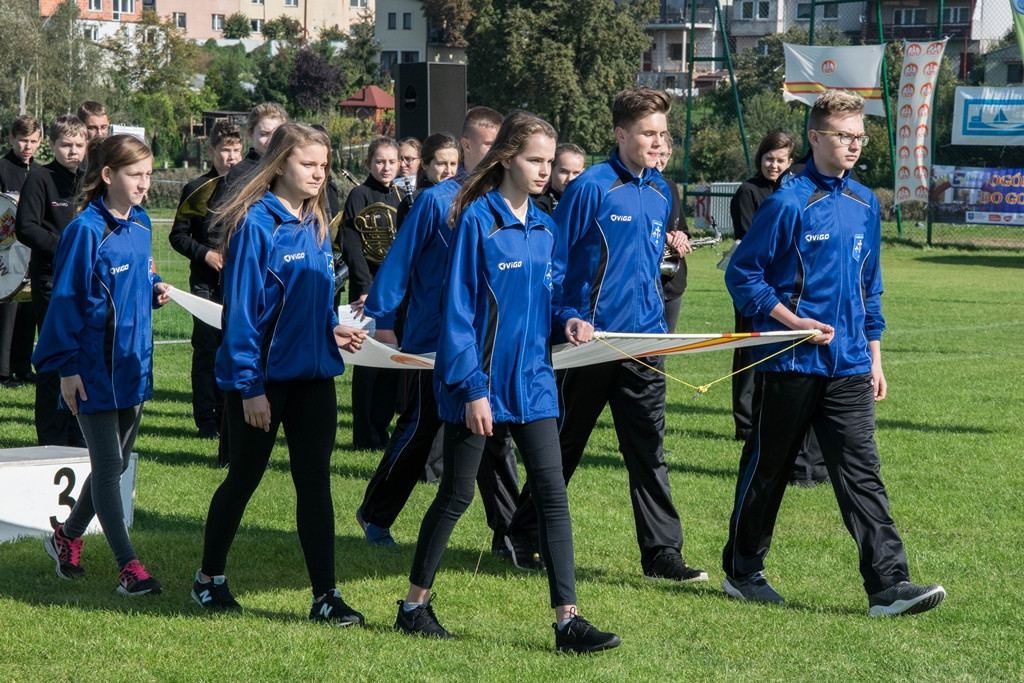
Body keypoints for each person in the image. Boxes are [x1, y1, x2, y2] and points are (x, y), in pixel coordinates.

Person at [395, 110, 620, 654]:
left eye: (549, 161)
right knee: (455, 496)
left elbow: (556, 295)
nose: (545, 171)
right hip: (480, 385)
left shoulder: (546, 225)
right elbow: (457, 316)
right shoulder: (474, 220)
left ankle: (568, 621)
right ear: (506, 158)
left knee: (552, 494)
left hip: (535, 383)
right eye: (534, 160)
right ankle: (412, 606)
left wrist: (568, 318)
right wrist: (472, 388)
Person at [721, 90, 945, 616]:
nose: (853, 145)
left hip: (848, 366)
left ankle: (889, 585)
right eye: (844, 136)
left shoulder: (867, 202)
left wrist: (875, 357)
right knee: (769, 467)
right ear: (815, 138)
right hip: (792, 363)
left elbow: (871, 286)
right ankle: (742, 570)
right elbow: (742, 275)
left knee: (861, 471)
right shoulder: (787, 201)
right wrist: (793, 323)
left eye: (860, 137)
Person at [504, 87, 706, 585]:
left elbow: (648, 266)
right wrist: (567, 316)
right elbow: (554, 262)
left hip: (646, 345)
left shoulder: (662, 191)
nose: (658, 143)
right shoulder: (591, 187)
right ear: (621, 134)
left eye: (663, 133)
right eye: (648, 134)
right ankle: (521, 535)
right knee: (566, 444)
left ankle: (662, 554)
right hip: (590, 345)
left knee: (648, 450)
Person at [191, 123, 369, 622]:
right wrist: (249, 389)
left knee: (315, 484)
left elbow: (299, 303)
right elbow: (243, 316)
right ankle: (208, 579)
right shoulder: (255, 225)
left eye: (324, 165)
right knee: (243, 479)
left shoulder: (316, 219)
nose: (319, 173)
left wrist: (327, 331)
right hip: (261, 384)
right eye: (308, 164)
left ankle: (325, 597)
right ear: (280, 165)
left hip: (314, 377)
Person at [358, 108, 521, 559]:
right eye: (491, 145)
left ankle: (510, 536)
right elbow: (399, 263)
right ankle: (375, 512)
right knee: (420, 430)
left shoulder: (505, 203)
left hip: (487, 344)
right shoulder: (436, 201)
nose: (500, 154)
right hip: (433, 341)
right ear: (466, 146)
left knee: (495, 435)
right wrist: (385, 323)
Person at [35, 134, 169, 596]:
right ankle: (129, 567)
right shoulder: (84, 230)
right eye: (136, 174)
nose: (145, 184)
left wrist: (154, 287)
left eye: (149, 175)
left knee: (117, 463)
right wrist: (66, 368)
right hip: (91, 369)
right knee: (110, 467)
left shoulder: (143, 222)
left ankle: (66, 536)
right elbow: (67, 302)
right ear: (108, 175)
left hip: (133, 366)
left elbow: (140, 274)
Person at [728, 131, 827, 487]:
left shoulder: (797, 194)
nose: (774, 165)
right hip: (759, 293)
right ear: (760, 158)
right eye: (769, 158)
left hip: (788, 295)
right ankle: (746, 422)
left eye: (781, 160)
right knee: (749, 356)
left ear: (790, 163)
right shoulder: (750, 193)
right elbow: (752, 245)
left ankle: (810, 459)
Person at [15, 115, 88, 447]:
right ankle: (51, 436)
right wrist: (67, 248)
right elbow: (27, 228)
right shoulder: (39, 178)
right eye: (66, 145)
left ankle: (77, 433)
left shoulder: (90, 179)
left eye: (79, 145)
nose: (73, 151)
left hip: (86, 283)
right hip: (51, 280)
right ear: (52, 145)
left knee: (81, 359)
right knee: (53, 361)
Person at [168, 121, 243, 440]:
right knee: (206, 349)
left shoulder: (250, 185)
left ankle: (230, 416)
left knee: (234, 347)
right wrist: (205, 254)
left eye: (237, 150)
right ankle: (206, 420)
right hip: (205, 283)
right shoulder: (195, 188)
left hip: (239, 283)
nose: (232, 157)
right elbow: (178, 236)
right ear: (211, 151)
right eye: (225, 150)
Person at [342, 137, 403, 450]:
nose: (386, 167)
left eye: (392, 162)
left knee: (390, 365)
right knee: (368, 366)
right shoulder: (358, 194)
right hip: (366, 287)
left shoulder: (401, 197)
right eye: (380, 161)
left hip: (395, 289)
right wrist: (366, 289)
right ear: (368, 164)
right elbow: (352, 245)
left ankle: (382, 429)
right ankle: (365, 436)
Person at [0, 115, 43, 388]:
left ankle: (22, 367)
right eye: (24, 140)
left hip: (32, 253)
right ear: (12, 138)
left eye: (34, 141)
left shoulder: (39, 172)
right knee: (7, 315)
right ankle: (3, 373)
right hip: (6, 254)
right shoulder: (2, 168)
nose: (28, 147)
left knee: (29, 312)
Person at [656, 141, 690, 334]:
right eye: (655, 153)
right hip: (647, 283)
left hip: (672, 281)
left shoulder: (670, 186)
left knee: (663, 350)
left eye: (664, 154)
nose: (660, 160)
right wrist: (664, 236)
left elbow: (682, 227)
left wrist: (681, 236)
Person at [532, 142, 585, 215]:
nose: (570, 179)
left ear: (583, 172)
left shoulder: (586, 201)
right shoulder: (539, 204)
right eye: (563, 172)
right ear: (551, 169)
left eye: (576, 173)